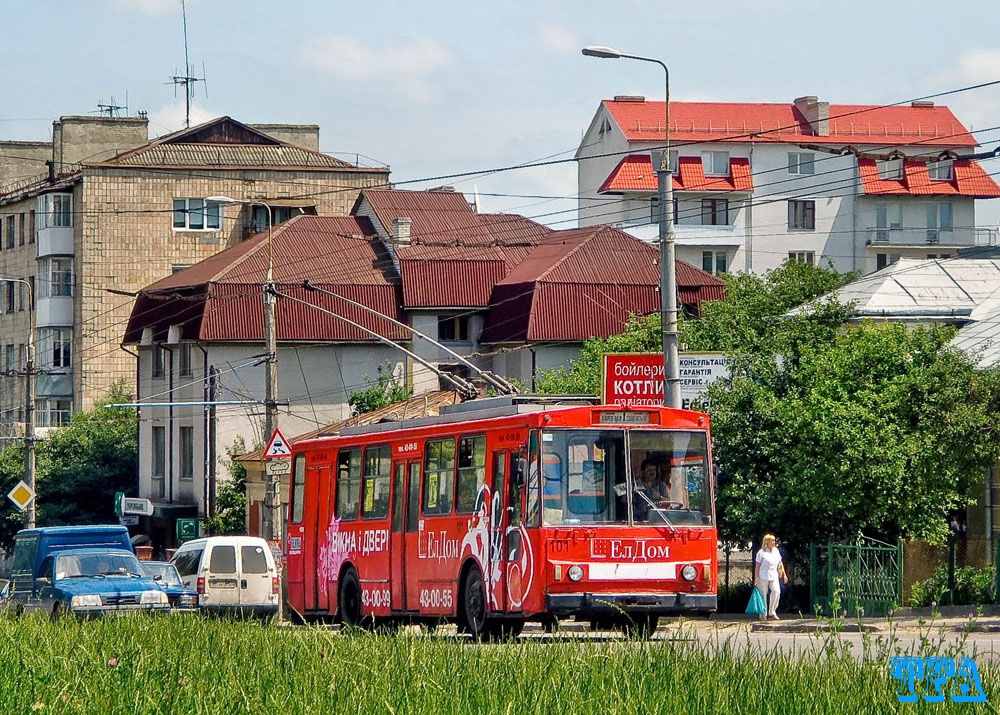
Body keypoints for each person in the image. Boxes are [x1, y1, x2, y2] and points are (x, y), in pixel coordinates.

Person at [754, 533, 787, 620]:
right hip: (763, 575)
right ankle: (763, 614)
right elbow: (757, 566)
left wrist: (784, 575)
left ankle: (772, 612)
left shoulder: (776, 551)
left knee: (776, 592)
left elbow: (780, 563)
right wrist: (756, 578)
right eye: (771, 541)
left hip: (774, 575)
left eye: (774, 540)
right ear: (766, 542)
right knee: (763, 594)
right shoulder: (761, 553)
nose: (773, 542)